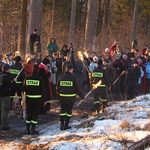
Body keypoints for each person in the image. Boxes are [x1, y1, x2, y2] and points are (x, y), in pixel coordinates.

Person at [56, 64, 84, 130]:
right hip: (71, 98)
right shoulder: (73, 78)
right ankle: (66, 124)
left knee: (62, 110)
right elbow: (77, 88)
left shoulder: (61, 77)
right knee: (68, 111)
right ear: (71, 70)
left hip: (62, 97)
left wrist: (58, 96)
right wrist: (82, 96)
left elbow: (57, 88)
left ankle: (62, 124)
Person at [24, 64, 46, 134]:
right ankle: (33, 129)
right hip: (37, 99)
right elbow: (43, 90)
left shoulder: (27, 79)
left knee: (29, 113)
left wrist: (23, 100)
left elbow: (23, 89)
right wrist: (44, 100)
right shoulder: (40, 79)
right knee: (35, 114)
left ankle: (27, 128)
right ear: (38, 70)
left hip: (29, 99)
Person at [0, 64, 11, 130]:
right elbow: (8, 87)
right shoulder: (7, 77)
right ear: (7, 69)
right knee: (5, 110)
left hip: (0, 95)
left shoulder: (1, 76)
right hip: (5, 96)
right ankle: (4, 125)